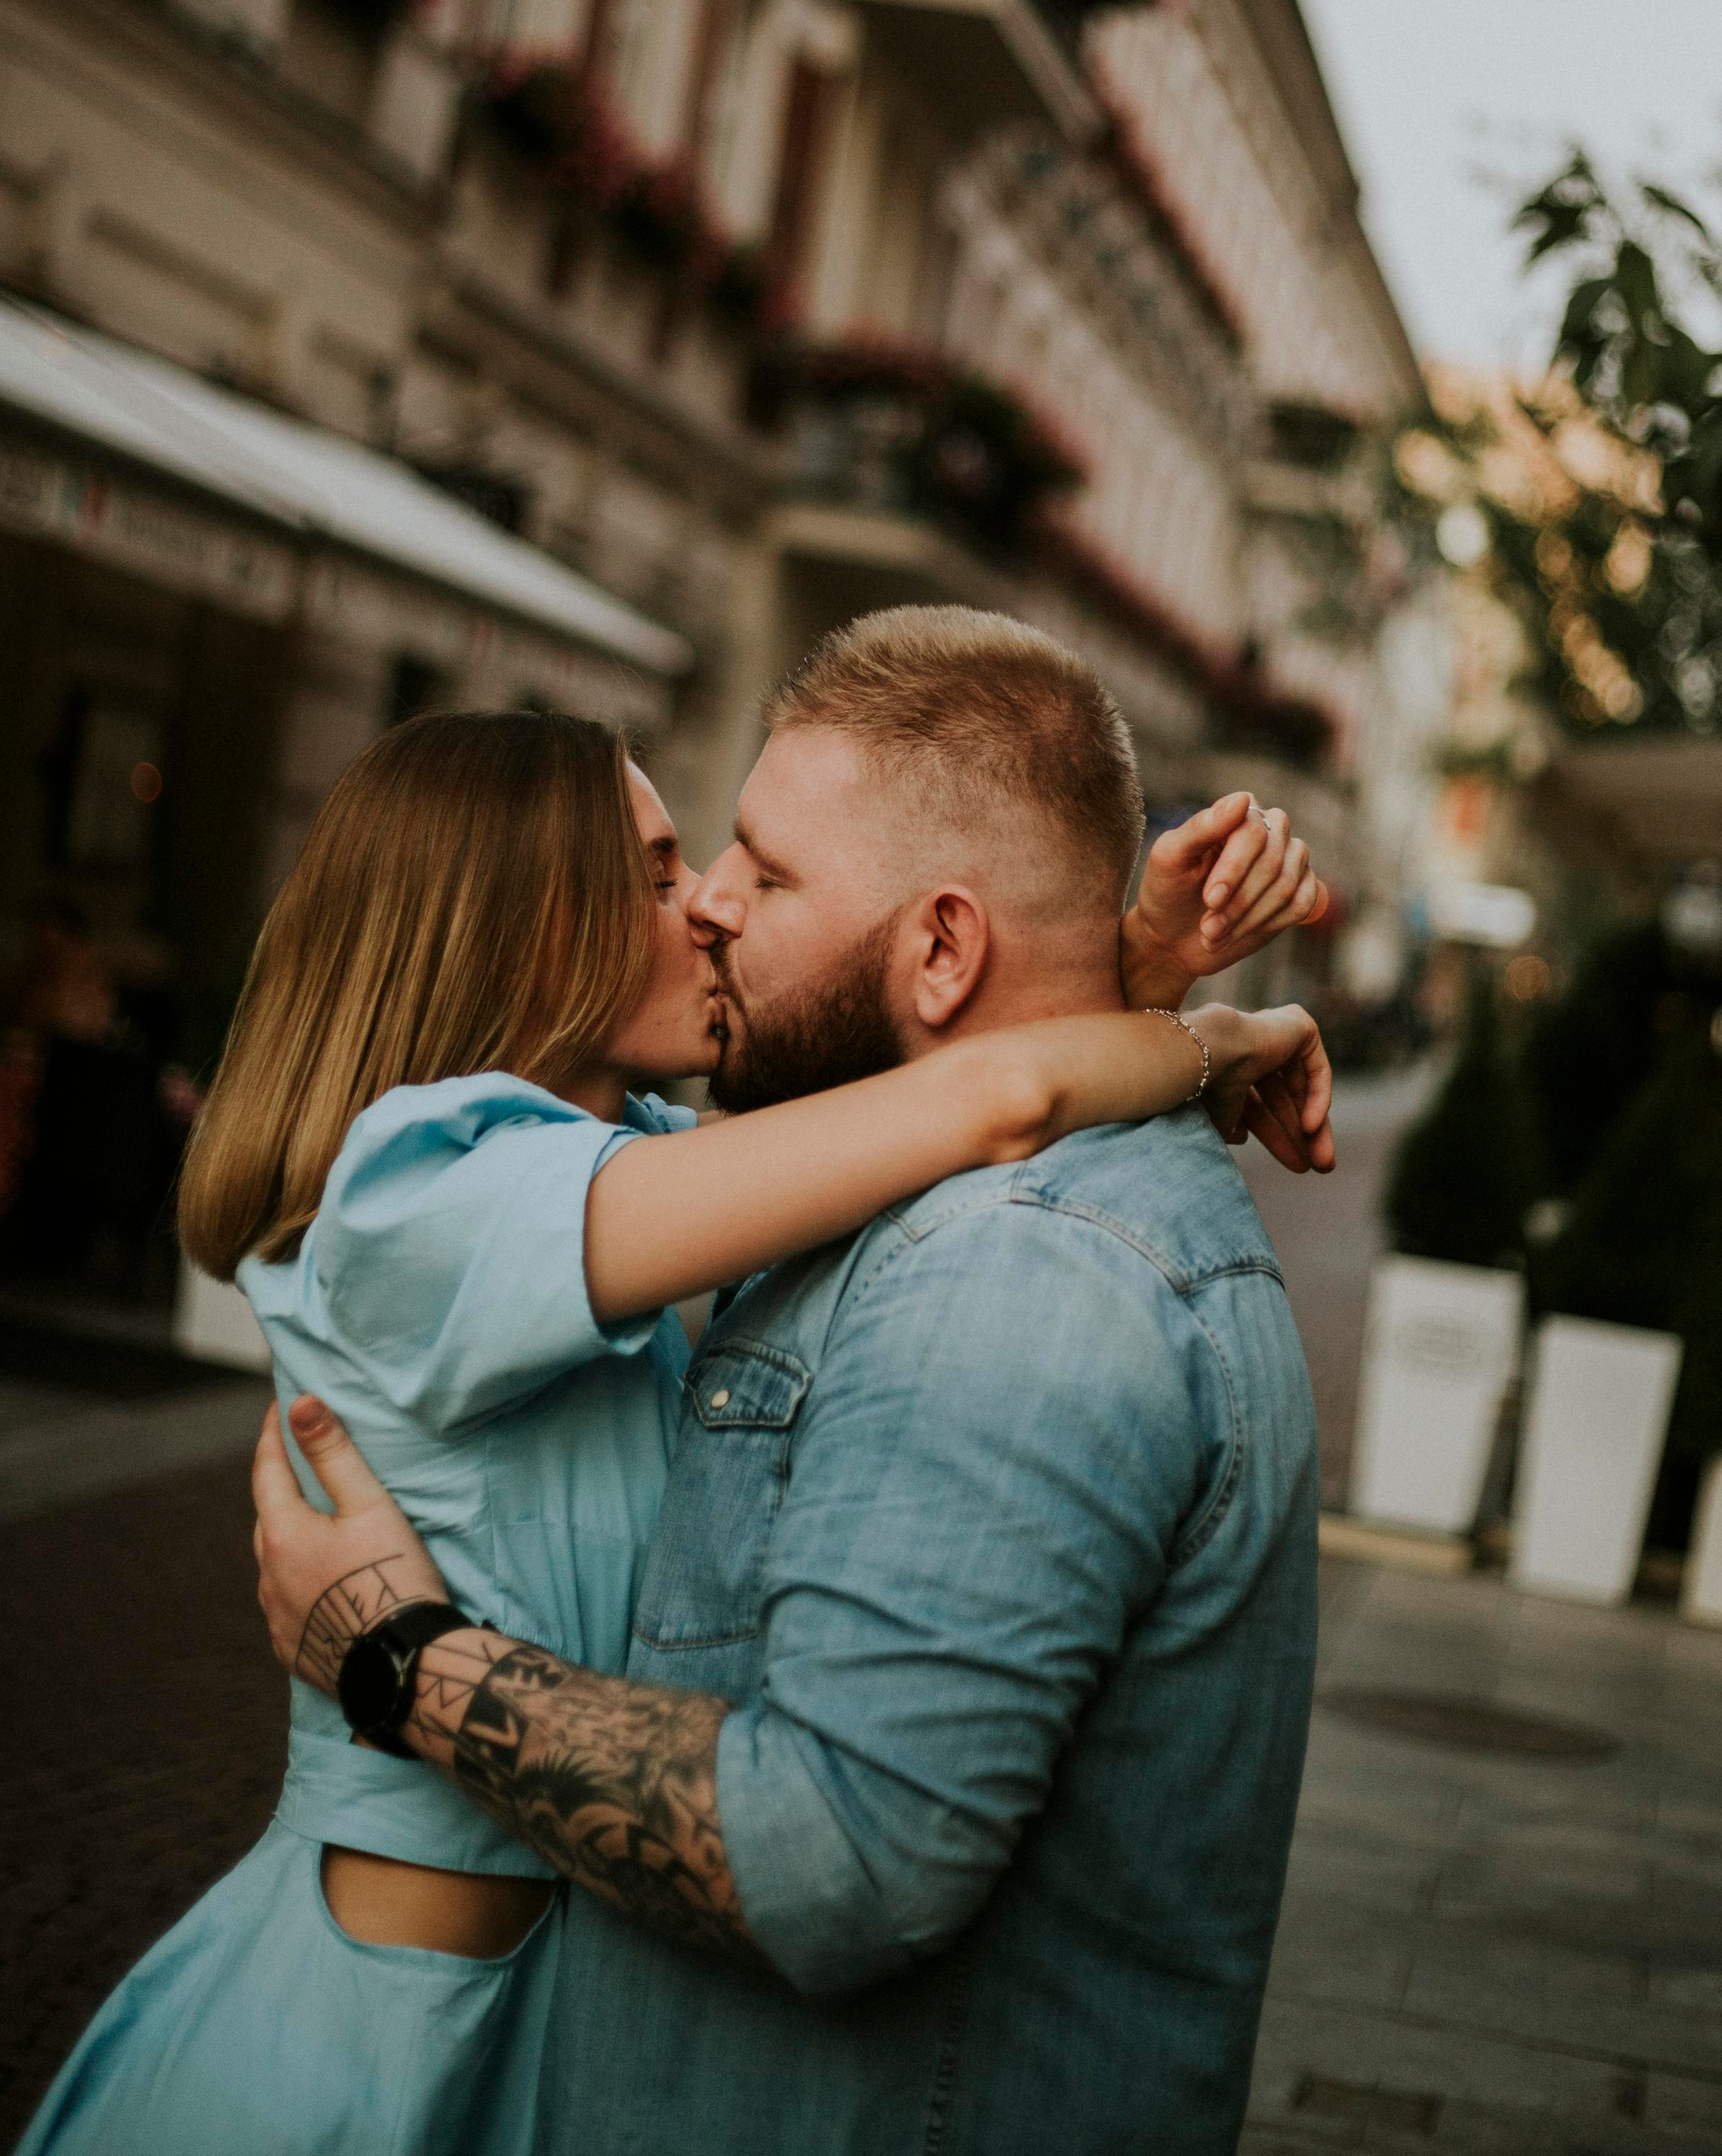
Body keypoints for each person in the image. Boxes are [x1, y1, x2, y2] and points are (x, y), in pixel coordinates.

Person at [21, 684, 1327, 2156]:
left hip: (536, 2025)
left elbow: (906, 1084)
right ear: (528, 925)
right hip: (375, 2038)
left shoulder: (630, 1162)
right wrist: (1221, 1038)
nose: (707, 905)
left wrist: (1108, 969)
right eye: (659, 872)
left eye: (740, 871)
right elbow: (997, 1092)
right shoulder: (423, 1192)